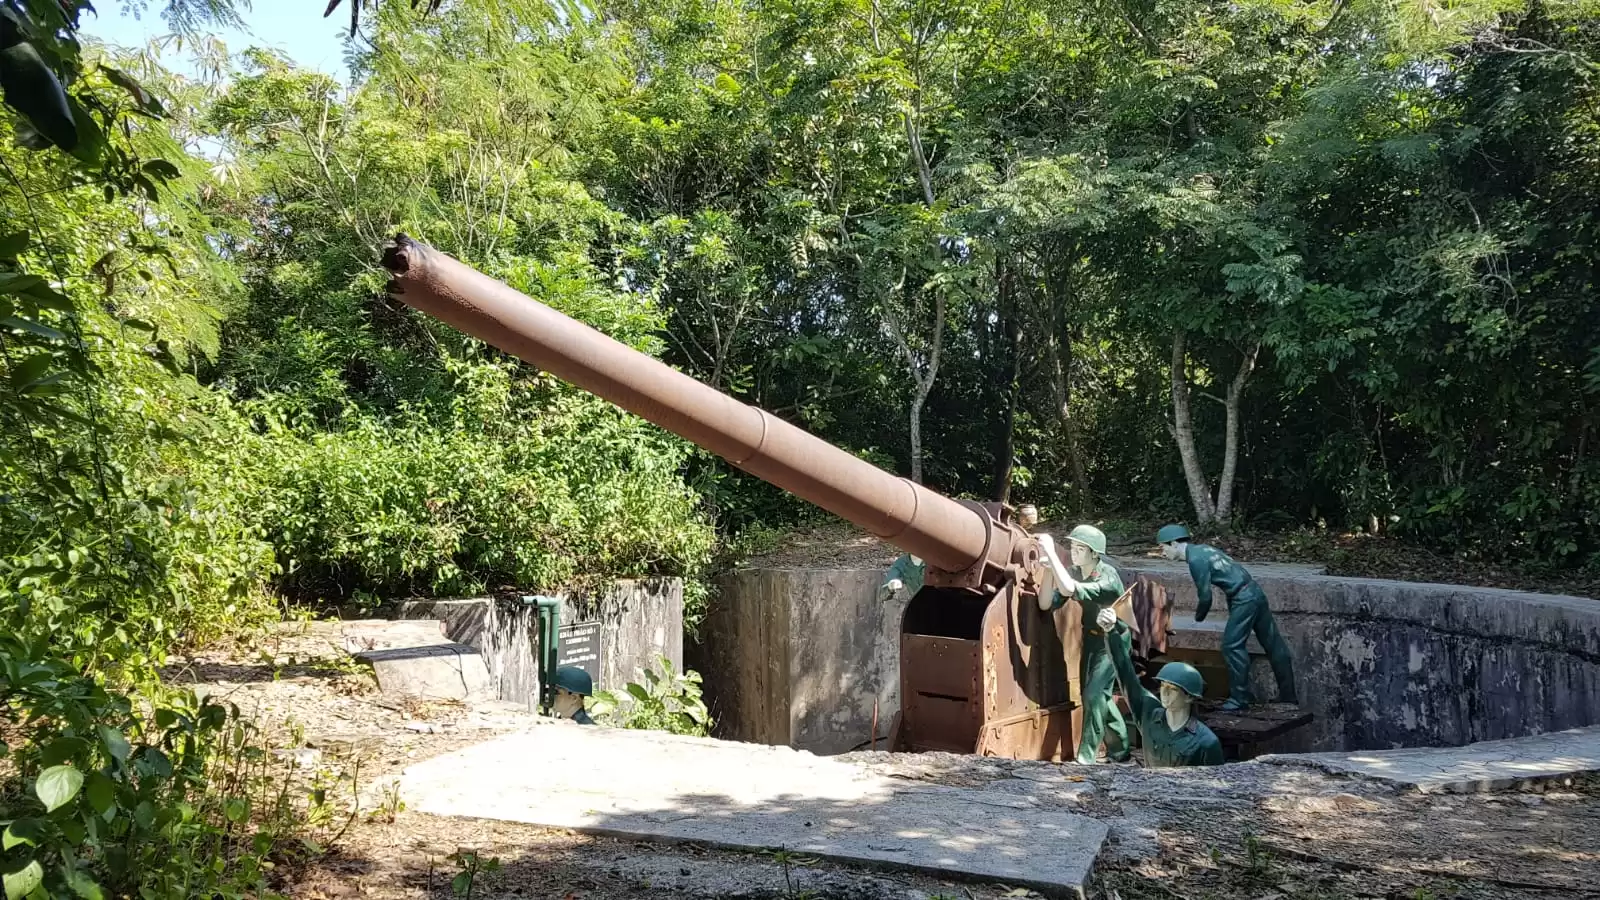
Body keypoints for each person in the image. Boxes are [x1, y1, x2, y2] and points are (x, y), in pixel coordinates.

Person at [1156, 524, 1296, 711]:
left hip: (1243, 599)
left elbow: (1205, 596)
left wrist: (1198, 617)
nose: (1162, 553)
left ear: (1173, 543)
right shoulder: (1203, 549)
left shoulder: (1195, 560)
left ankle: (1240, 698)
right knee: (1273, 644)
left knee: (1232, 646)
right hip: (1253, 592)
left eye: (1162, 548)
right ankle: (1289, 698)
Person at [1036, 524, 1130, 765]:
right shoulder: (1075, 572)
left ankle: (1086, 758)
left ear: (1095, 554)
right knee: (1100, 697)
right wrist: (1048, 571)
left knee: (1094, 694)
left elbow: (1068, 587)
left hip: (1113, 641)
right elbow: (1047, 603)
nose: (1074, 552)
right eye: (1072, 547)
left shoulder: (1108, 577)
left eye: (1080, 548)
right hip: (1091, 637)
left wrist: (1053, 556)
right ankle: (1120, 750)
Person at [1095, 607, 1223, 767]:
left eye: (1173, 689)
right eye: (1163, 686)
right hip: (1148, 790)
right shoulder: (1148, 715)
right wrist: (1111, 633)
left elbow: (1214, 784)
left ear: (1189, 696)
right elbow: (1126, 677)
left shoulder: (1206, 742)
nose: (1165, 692)